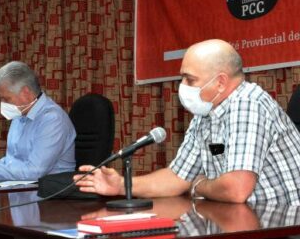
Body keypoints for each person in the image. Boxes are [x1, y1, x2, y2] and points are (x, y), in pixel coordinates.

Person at [75, 39, 300, 204]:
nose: (182, 86)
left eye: (189, 79)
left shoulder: (247, 103)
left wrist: (200, 185)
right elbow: (178, 177)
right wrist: (122, 185)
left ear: (220, 82)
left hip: (283, 222)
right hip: (245, 219)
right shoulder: (206, 112)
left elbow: (235, 189)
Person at [0, 61, 76, 181]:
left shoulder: (52, 120)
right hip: (23, 190)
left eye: (6, 99)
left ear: (25, 92)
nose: (3, 104)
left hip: (51, 197)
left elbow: (33, 172)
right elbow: (11, 162)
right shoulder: (20, 115)